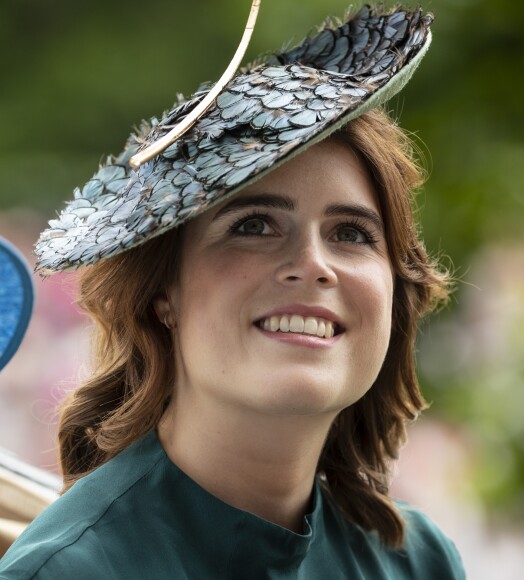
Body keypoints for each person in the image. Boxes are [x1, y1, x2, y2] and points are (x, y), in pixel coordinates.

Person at [0, 4, 464, 578]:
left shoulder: (418, 563)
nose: (314, 266)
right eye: (253, 226)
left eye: (351, 233)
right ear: (163, 291)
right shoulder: (69, 571)